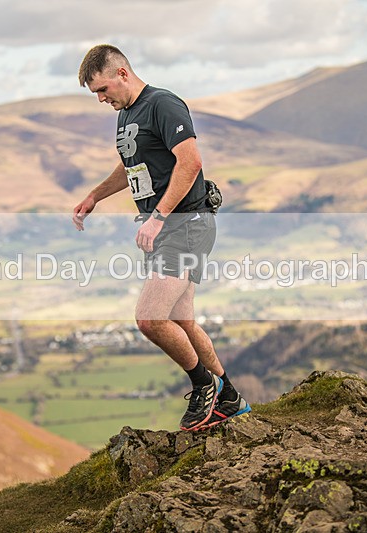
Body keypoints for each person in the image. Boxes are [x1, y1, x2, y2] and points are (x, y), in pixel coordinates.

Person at [72, 44, 250, 431]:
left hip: (185, 224)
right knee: (181, 319)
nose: (102, 100)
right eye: (95, 95)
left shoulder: (162, 104)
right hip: (168, 228)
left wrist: (157, 217)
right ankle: (230, 398)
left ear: (122, 73)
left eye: (103, 90)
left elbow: (191, 163)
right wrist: (94, 196)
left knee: (150, 318)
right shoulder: (127, 114)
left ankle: (205, 386)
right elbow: (131, 166)